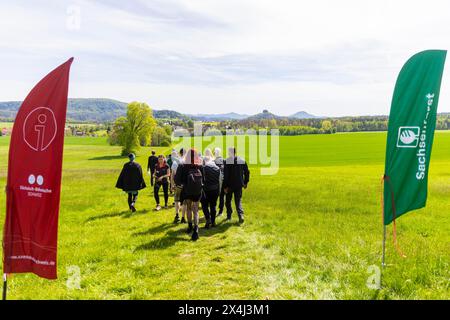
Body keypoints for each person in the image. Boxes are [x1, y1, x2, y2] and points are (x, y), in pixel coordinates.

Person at [175, 148, 203, 241]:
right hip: (197, 191)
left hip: (187, 191)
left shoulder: (182, 165)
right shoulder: (199, 165)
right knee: (196, 210)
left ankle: (190, 226)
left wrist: (183, 185)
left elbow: (177, 180)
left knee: (189, 209)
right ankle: (196, 229)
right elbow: (204, 179)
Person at [223, 147, 250, 223]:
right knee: (238, 201)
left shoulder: (227, 161)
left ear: (229, 152)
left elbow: (226, 175)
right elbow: (247, 172)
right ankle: (240, 215)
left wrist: (225, 187)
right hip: (239, 185)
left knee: (228, 201)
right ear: (235, 152)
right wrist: (245, 182)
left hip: (229, 185)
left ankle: (229, 216)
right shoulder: (241, 160)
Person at [201, 155, 221, 228]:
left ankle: (208, 219)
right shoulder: (217, 168)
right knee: (213, 206)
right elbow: (219, 180)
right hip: (215, 189)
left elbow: (202, 179)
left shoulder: (204, 168)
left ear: (205, 161)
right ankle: (213, 222)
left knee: (204, 205)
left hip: (206, 189)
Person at [173, 148, 187, 223]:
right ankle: (183, 217)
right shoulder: (188, 162)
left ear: (180, 153)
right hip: (185, 185)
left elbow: (173, 174)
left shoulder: (176, 162)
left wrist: (172, 184)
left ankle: (177, 215)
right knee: (184, 201)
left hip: (178, 184)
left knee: (176, 200)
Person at [214, 147, 225, 216]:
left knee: (216, 196)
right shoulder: (224, 160)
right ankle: (220, 211)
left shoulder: (214, 161)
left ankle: (217, 210)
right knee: (221, 196)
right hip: (222, 180)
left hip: (216, 181)